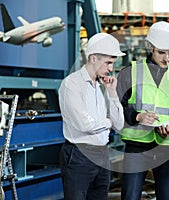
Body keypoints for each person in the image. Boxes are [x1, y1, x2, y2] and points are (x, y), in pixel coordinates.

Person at [117, 21, 169, 200]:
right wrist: (137, 116)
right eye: (161, 52)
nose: (167, 58)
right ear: (150, 47)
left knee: (167, 197)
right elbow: (116, 109)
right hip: (137, 146)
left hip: (167, 146)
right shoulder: (130, 73)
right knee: (130, 197)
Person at [58, 33, 125, 200]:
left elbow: (120, 124)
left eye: (112, 63)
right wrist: (109, 122)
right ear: (93, 58)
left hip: (102, 154)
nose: (111, 68)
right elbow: (85, 125)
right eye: (108, 62)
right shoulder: (72, 84)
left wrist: (112, 93)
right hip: (79, 155)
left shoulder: (104, 86)